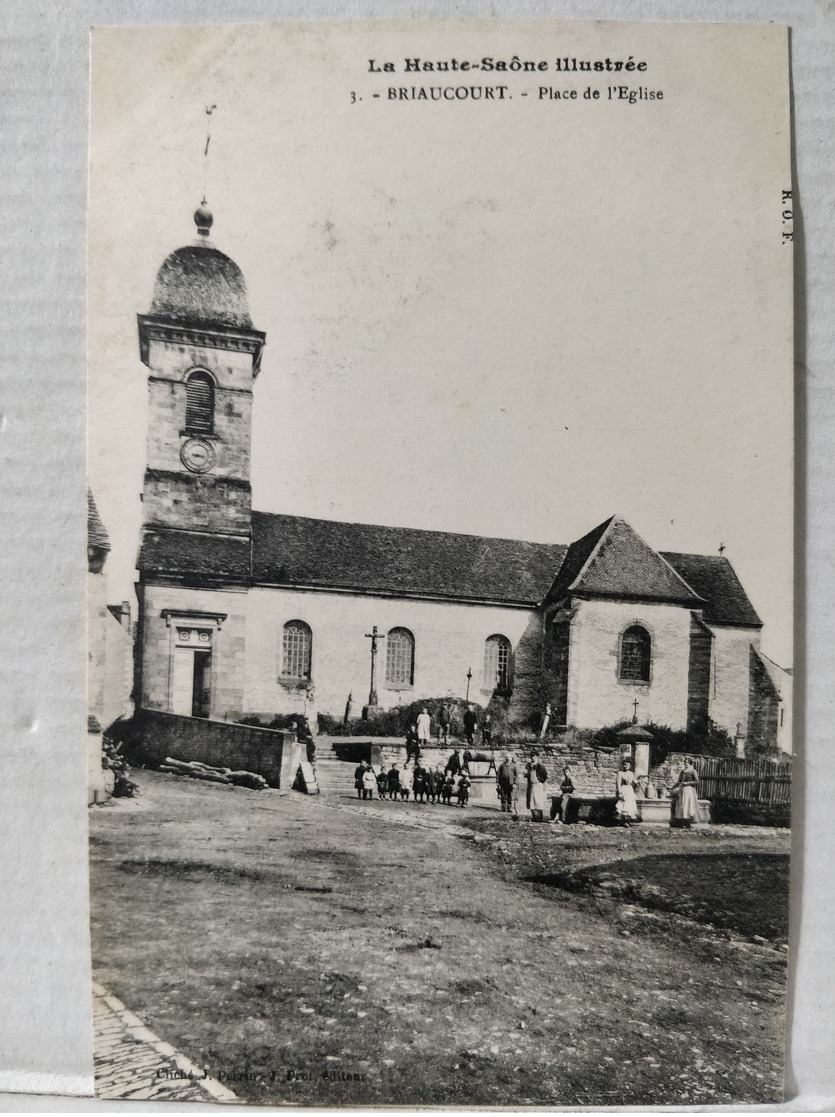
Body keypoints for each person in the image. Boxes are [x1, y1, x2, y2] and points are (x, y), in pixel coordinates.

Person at [670, 757, 699, 828]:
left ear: (690, 763)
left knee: (688, 805)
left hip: (689, 790)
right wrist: (672, 788)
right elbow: (679, 782)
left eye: (687, 763)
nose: (686, 764)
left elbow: (697, 781)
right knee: (682, 805)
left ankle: (688, 822)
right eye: (685, 762)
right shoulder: (682, 771)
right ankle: (682, 822)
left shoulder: (693, 771)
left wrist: (687, 783)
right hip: (682, 790)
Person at [615, 759, 639, 824]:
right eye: (625, 764)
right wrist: (620, 792)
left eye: (628, 765)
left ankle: (627, 820)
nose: (626, 766)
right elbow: (618, 784)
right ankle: (622, 821)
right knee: (623, 803)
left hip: (630, 790)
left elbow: (634, 781)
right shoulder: (620, 773)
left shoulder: (631, 773)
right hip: (624, 789)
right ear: (623, 765)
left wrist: (640, 781)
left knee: (629, 804)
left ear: (630, 766)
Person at [526, 754, 548, 821]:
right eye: (532, 757)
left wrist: (539, 780)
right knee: (532, 802)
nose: (533, 758)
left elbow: (545, 775)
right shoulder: (529, 766)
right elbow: (528, 774)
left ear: (537, 757)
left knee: (538, 801)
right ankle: (534, 817)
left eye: (534, 757)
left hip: (538, 785)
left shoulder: (540, 766)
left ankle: (540, 817)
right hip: (532, 785)